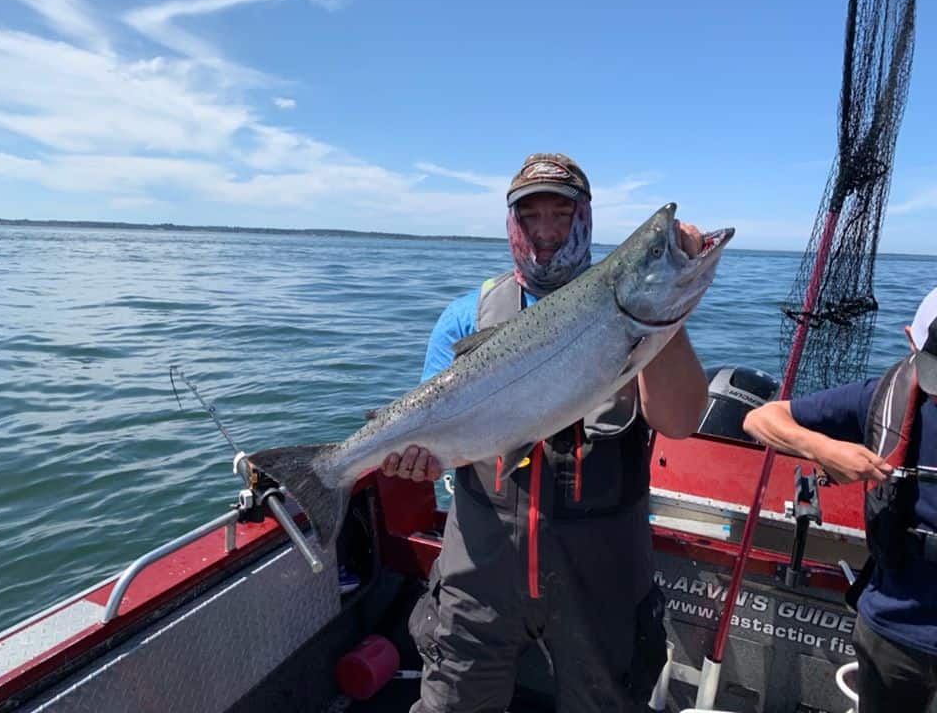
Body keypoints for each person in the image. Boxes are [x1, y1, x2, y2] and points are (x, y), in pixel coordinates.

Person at [380, 153, 710, 713]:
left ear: (587, 218)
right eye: (530, 217)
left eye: (561, 214)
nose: (546, 233)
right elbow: (435, 434)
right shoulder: (467, 316)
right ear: (511, 224)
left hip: (600, 579)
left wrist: (664, 308)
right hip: (479, 575)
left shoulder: (623, 305)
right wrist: (412, 458)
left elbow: (679, 422)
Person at [743, 288, 937, 713]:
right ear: (911, 342)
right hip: (892, 631)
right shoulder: (883, 398)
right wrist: (825, 450)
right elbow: (761, 418)